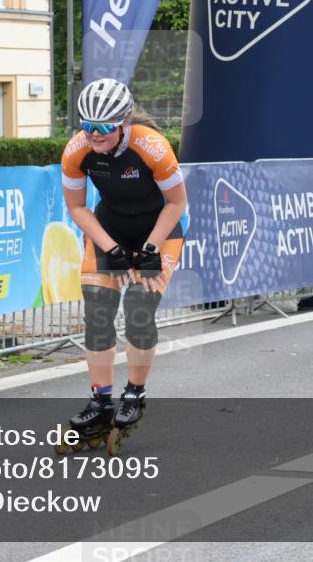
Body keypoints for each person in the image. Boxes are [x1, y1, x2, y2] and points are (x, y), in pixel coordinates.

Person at [58, 78, 187, 453]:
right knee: (98, 311)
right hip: (109, 229)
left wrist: (150, 247)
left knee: (138, 310)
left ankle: (135, 393)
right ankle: (100, 401)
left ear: (123, 124)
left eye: (103, 127)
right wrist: (110, 248)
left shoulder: (152, 146)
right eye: (86, 125)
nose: (93, 135)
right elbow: (77, 207)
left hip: (159, 230)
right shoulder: (77, 150)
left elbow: (177, 202)